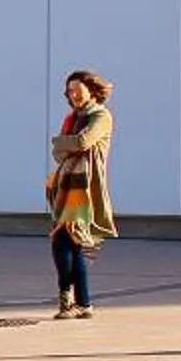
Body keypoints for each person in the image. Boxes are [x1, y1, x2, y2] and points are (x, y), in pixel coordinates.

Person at [45, 70, 116, 319]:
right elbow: (59, 153)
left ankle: (67, 298)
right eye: (69, 91)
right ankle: (82, 303)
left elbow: (83, 142)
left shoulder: (100, 116)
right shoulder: (72, 118)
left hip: (83, 187)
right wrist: (64, 143)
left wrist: (61, 141)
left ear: (90, 88)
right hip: (66, 184)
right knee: (70, 244)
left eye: (77, 89)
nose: (73, 94)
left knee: (63, 239)